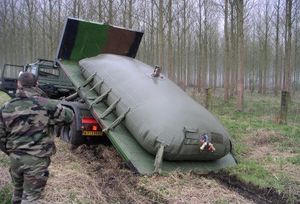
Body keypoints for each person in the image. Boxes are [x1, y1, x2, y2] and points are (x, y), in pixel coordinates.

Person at [0, 72, 74, 204]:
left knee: (17, 193)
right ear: (37, 84)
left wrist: (11, 151)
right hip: (37, 161)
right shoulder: (47, 104)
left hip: (15, 159)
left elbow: (0, 136)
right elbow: (69, 116)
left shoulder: (6, 107)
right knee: (31, 199)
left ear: (18, 84)